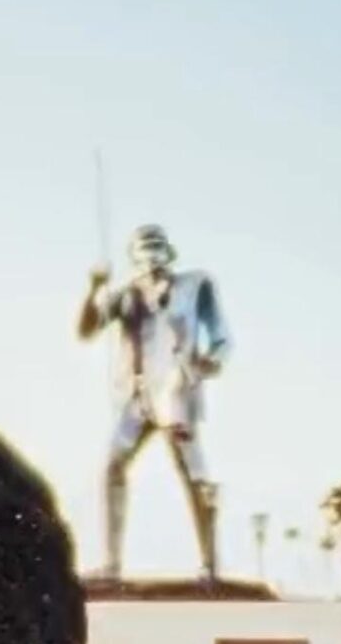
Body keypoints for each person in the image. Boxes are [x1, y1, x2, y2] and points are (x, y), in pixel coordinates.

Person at [77, 224, 231, 582]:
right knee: (112, 467)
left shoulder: (194, 286)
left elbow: (222, 338)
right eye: (144, 249)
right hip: (137, 396)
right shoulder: (125, 295)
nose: (151, 257)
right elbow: (87, 331)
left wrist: (210, 361)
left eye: (156, 247)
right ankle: (111, 564)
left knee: (194, 474)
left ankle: (209, 564)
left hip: (176, 393)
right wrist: (95, 288)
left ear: (168, 252)